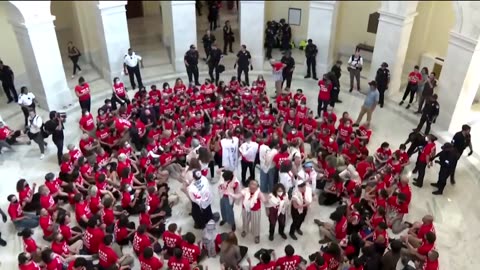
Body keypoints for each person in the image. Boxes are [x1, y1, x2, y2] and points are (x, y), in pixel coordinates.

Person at [230, 179, 265, 244]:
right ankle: (245, 230)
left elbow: (264, 200)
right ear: (249, 185)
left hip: (255, 210)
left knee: (256, 222)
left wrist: (270, 198)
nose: (253, 186)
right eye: (251, 184)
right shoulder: (245, 190)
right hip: (245, 209)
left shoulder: (259, 193)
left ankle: (256, 235)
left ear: (257, 187)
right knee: (245, 220)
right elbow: (237, 196)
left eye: (255, 184)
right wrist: (230, 194)